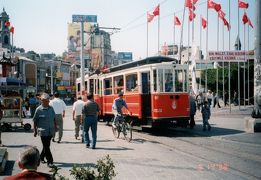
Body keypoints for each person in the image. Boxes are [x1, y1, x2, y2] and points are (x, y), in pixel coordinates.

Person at [33, 93, 56, 168]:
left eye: (48, 101)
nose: (48, 102)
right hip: (42, 131)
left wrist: (56, 127)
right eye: (46, 101)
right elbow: (35, 121)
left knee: (47, 145)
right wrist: (35, 131)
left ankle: (41, 157)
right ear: (42, 101)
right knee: (46, 146)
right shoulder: (38, 109)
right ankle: (50, 161)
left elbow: (54, 119)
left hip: (50, 130)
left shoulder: (51, 108)